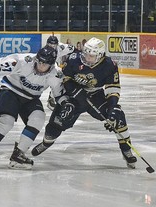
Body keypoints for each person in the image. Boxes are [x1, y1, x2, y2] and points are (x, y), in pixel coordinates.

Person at [31, 37, 137, 169]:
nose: (86, 57)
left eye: (91, 56)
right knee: (57, 123)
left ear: (99, 56)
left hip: (95, 95)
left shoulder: (110, 65)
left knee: (118, 116)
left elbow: (113, 88)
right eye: (85, 53)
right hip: (73, 96)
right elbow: (64, 78)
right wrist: (74, 90)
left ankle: (126, 149)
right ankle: (46, 143)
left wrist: (112, 107)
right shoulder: (74, 59)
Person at [0, 45, 66, 169]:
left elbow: (59, 94)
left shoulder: (56, 75)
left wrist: (66, 104)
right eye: (39, 62)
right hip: (11, 91)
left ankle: (18, 155)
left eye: (44, 64)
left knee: (38, 118)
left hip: (31, 98)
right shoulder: (24, 61)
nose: (40, 66)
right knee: (6, 121)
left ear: (51, 65)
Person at [46, 35, 75, 110]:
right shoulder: (45, 52)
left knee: (60, 79)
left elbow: (73, 49)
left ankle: (53, 96)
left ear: (57, 44)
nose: (52, 46)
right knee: (56, 80)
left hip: (56, 66)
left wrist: (70, 61)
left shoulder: (61, 47)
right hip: (49, 67)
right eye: (50, 44)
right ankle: (53, 96)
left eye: (54, 45)